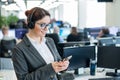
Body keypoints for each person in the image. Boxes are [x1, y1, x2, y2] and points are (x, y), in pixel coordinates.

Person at [12, 7, 69, 80]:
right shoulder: (19, 49)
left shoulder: (49, 41)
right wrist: (50, 69)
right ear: (31, 24)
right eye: (42, 25)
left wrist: (63, 66)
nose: (46, 29)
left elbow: (57, 61)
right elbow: (23, 79)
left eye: (48, 25)